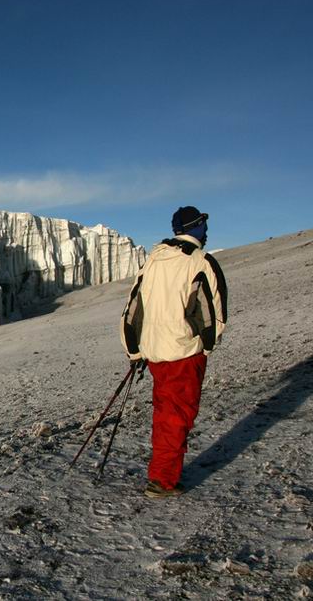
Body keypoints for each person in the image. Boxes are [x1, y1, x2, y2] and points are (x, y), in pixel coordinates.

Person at [120, 206, 228, 498]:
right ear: (196, 227)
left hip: (154, 352)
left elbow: (132, 309)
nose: (206, 229)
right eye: (204, 224)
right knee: (177, 415)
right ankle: (162, 481)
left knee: (165, 413)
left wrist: (135, 350)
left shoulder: (153, 261)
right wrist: (205, 345)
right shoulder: (200, 262)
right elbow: (214, 312)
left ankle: (161, 470)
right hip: (183, 353)